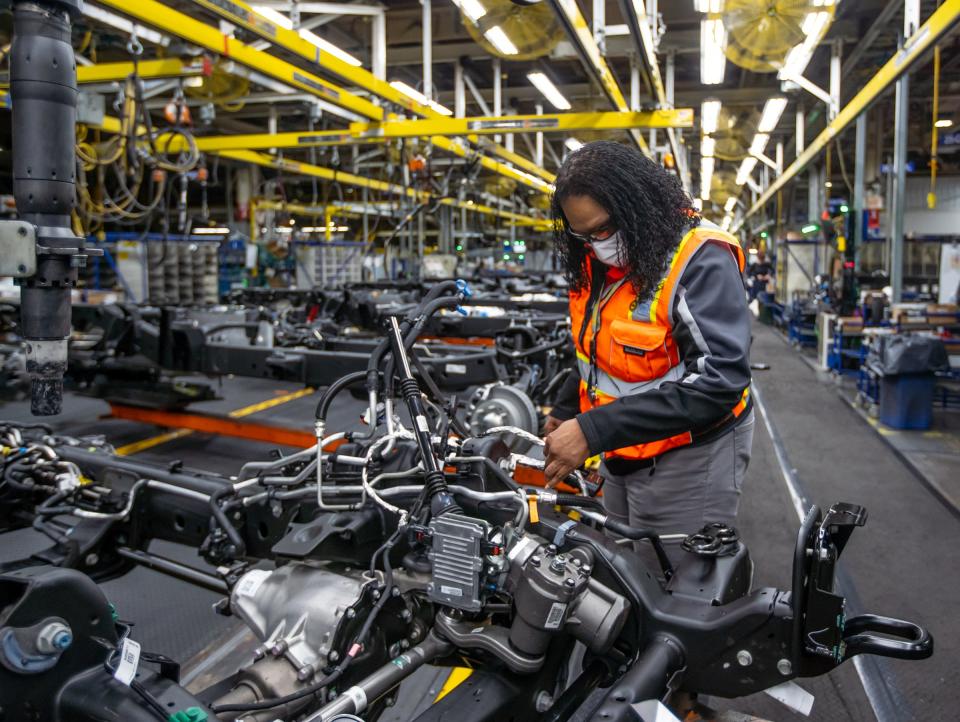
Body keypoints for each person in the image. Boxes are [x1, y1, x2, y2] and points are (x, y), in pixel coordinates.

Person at [542, 141, 754, 553]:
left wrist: (591, 430)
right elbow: (598, 351)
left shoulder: (700, 259)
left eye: (603, 230)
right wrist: (568, 409)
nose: (596, 244)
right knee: (626, 574)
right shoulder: (597, 263)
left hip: (690, 455)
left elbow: (720, 381)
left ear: (637, 207)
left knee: (676, 588)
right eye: (582, 234)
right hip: (622, 448)